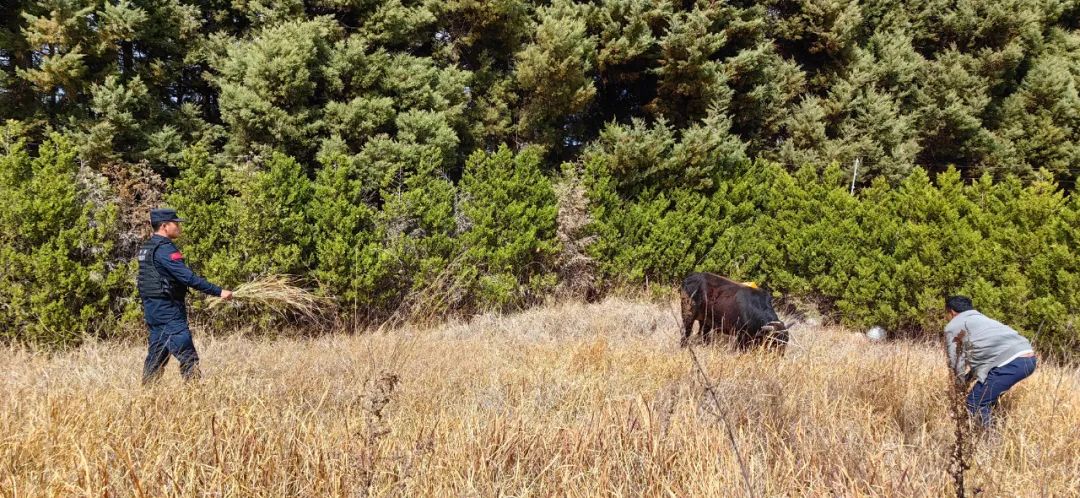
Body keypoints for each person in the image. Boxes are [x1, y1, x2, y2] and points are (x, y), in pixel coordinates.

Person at [137, 208, 233, 384]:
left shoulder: (148, 247)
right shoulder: (165, 250)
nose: (179, 227)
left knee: (156, 356)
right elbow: (188, 278)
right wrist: (219, 292)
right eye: (176, 223)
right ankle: (195, 396)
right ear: (165, 226)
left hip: (153, 310)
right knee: (188, 357)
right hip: (168, 311)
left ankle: (146, 395)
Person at [944, 295, 1037, 427]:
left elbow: (956, 362)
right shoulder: (982, 319)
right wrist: (968, 378)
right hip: (1028, 359)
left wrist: (959, 388)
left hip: (1010, 363)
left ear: (951, 311)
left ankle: (990, 443)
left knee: (975, 402)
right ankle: (975, 429)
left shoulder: (953, 325)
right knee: (986, 399)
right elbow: (987, 358)